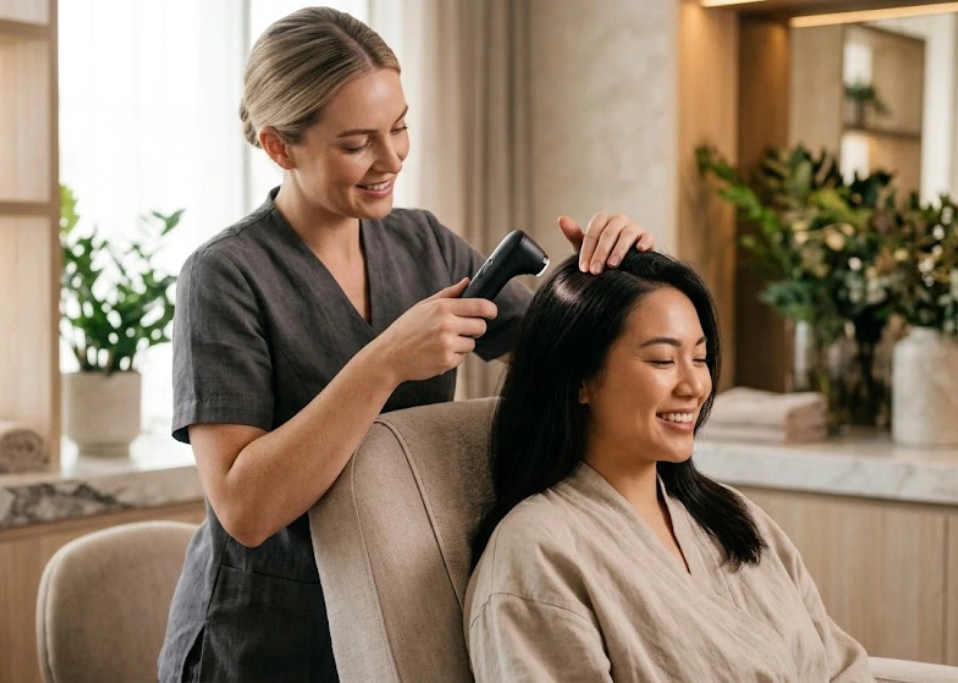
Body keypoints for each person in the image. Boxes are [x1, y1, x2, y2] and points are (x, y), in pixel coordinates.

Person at [157, 7, 655, 682]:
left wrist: (615, 279)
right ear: (279, 147)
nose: (391, 158)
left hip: (403, 612)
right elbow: (244, 507)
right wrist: (387, 360)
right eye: (357, 142)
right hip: (263, 643)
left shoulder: (424, 244)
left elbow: (568, 365)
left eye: (400, 127)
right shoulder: (224, 275)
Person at [465, 251, 875, 682]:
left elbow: (841, 664)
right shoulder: (536, 552)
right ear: (580, 380)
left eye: (699, 358)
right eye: (663, 360)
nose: (695, 385)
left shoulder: (729, 516)